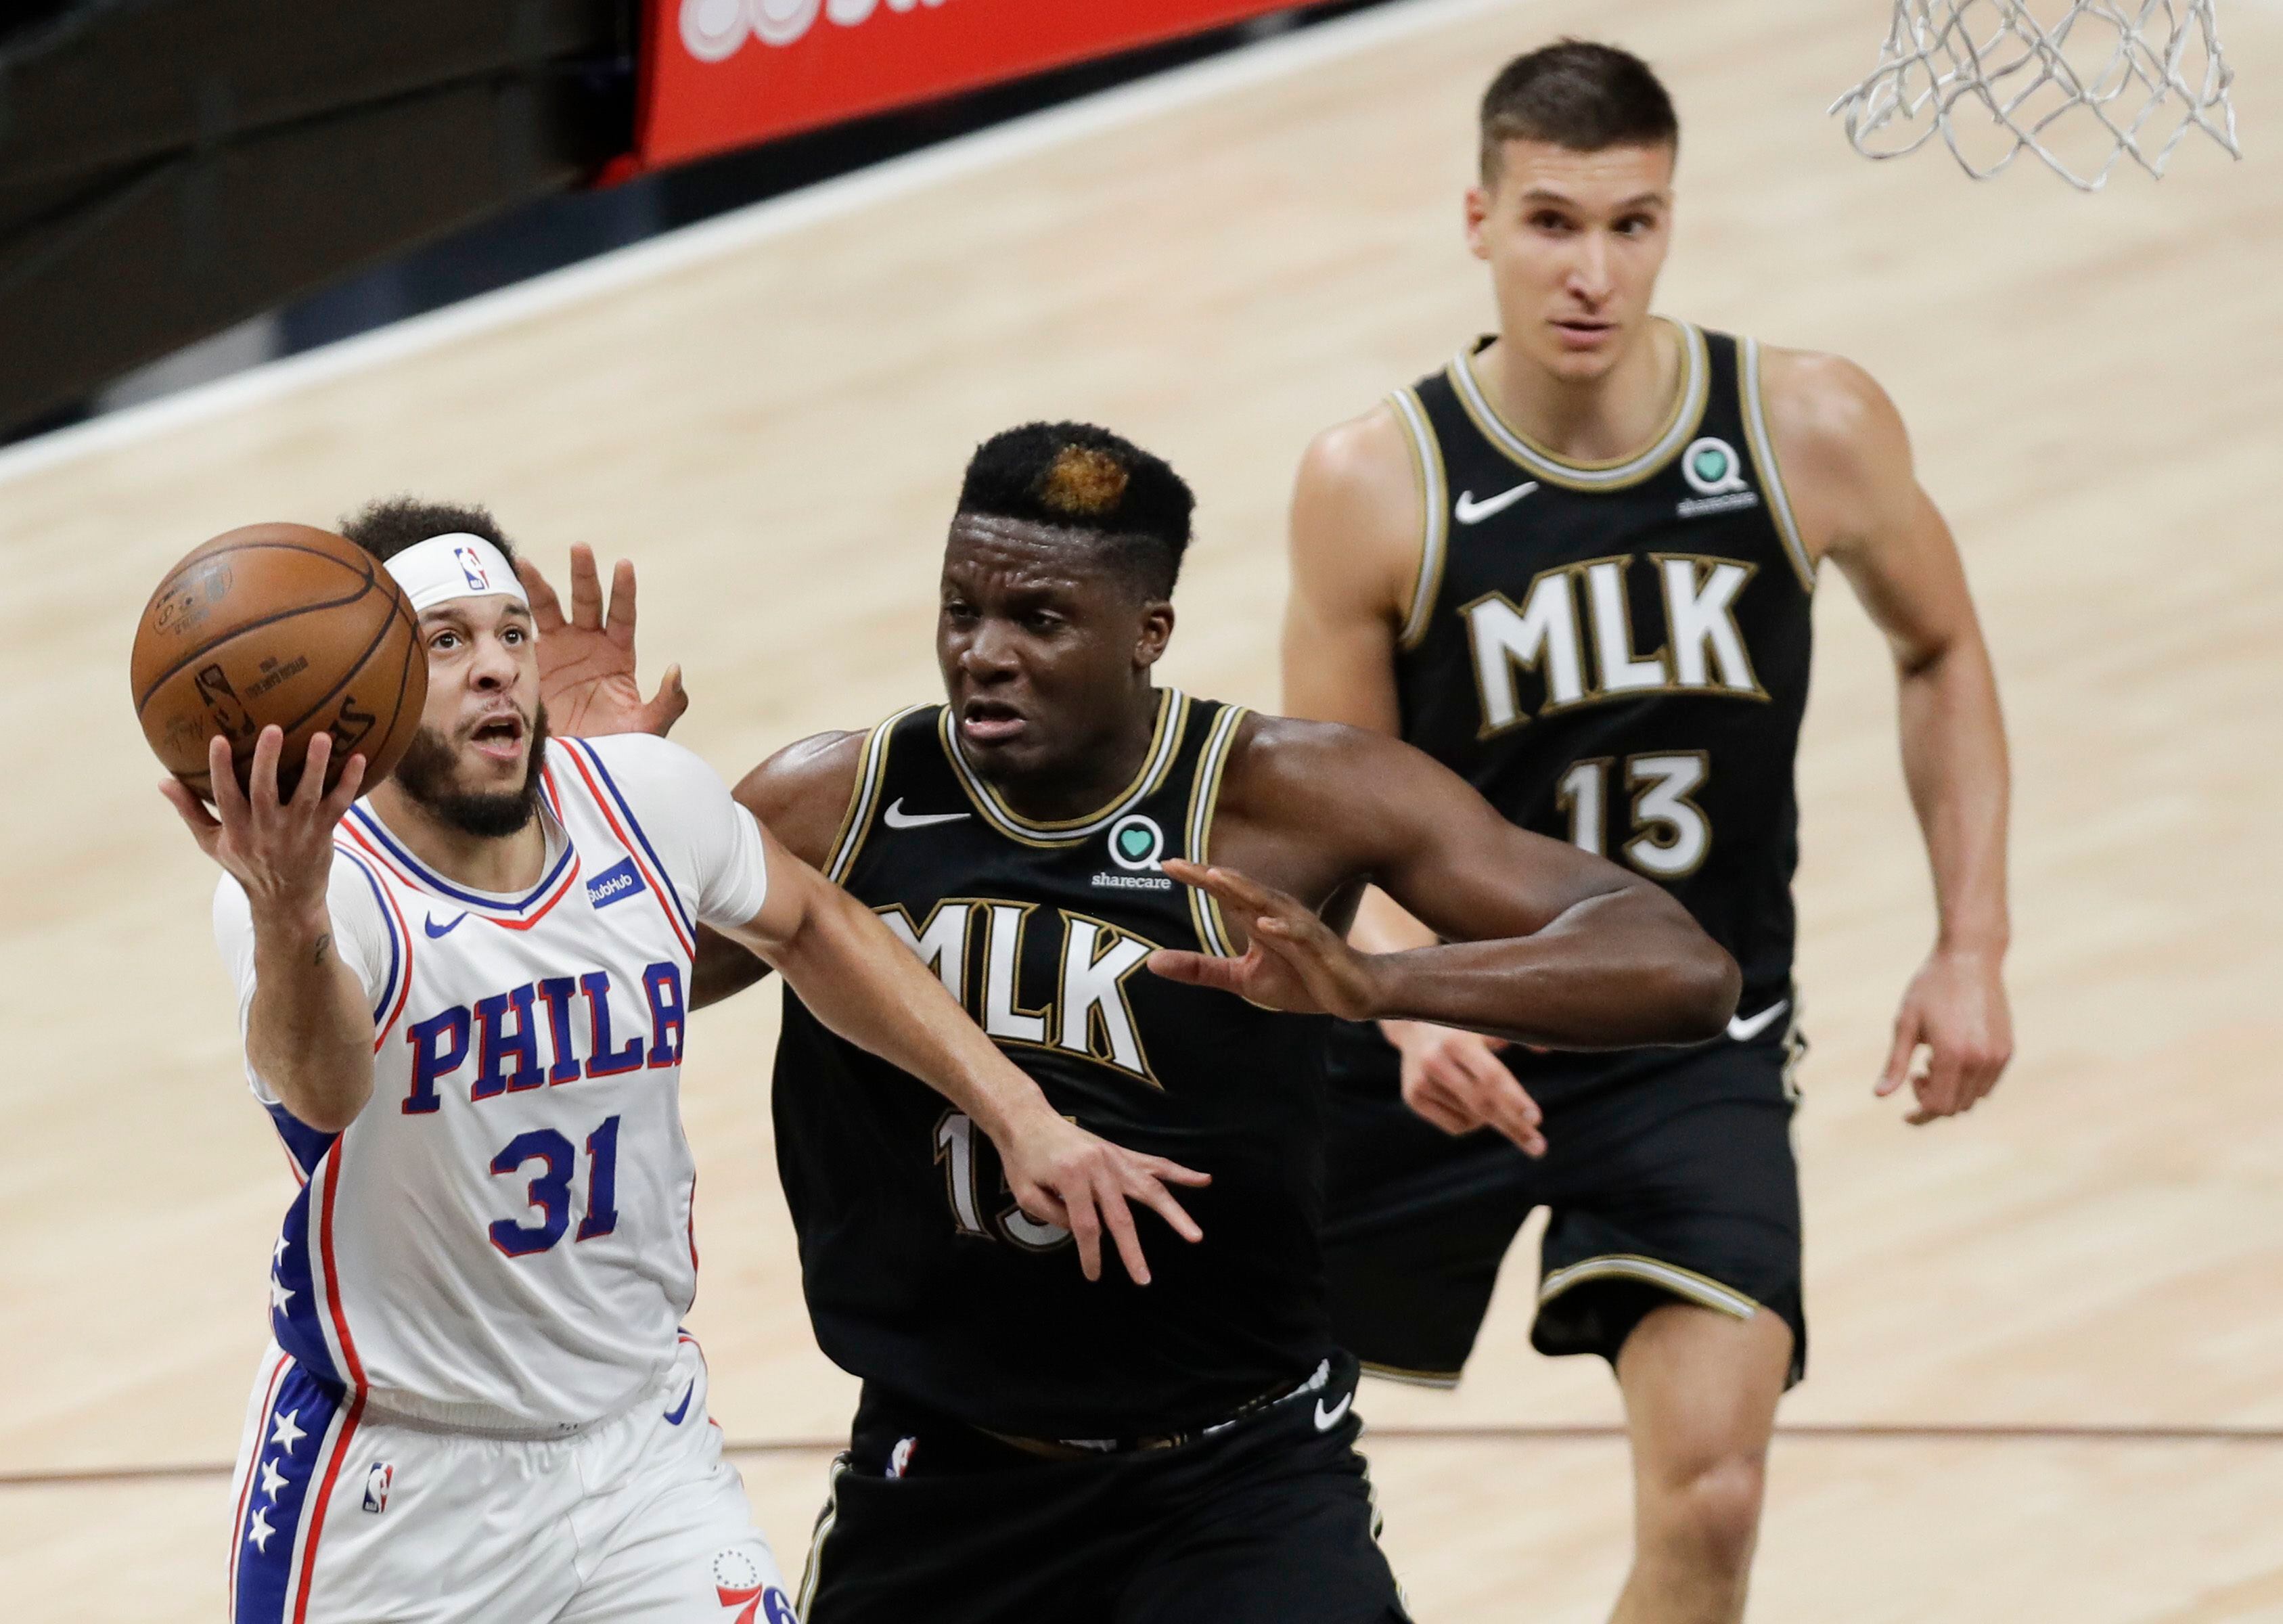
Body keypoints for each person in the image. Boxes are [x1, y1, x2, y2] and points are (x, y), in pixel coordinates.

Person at [526, 422, 1740, 1624]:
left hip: (1236, 1481)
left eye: (1038, 621)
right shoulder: (837, 801)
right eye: (961, 610)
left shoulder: (1288, 797)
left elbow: (1677, 965)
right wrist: (592, 813)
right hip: (941, 1479)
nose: (982, 655)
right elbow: (579, 1005)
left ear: (1148, 633)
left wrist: (1383, 989)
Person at [164, 499, 1204, 1624]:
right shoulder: (317, 891)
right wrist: (288, 910)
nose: (498, 669)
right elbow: (322, 1094)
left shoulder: (645, 801)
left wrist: (1018, 1112)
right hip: (404, 1480)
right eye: (449, 641)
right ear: (367, 688)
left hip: (640, 1450)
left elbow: (815, 925)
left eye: (512, 632)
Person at [1281, 41, 2015, 1624]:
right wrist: (1405, 998)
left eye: (1633, 225)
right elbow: (1339, 804)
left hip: (1692, 1032)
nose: (1593, 271)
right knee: (1183, 1421)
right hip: (1444, 1027)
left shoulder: (1804, 425)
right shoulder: (1376, 480)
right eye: (1552, 222)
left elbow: (1941, 650)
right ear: (1476, 218)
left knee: (1720, 1495)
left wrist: (1970, 945)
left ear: (1672, 222)